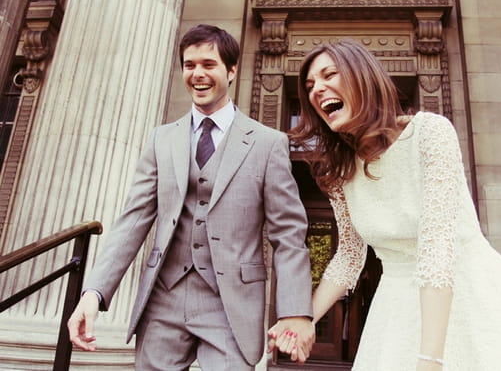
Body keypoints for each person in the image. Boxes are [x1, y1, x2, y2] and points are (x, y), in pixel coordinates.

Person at [276, 38, 501, 370]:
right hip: (396, 306)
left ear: (362, 77)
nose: (317, 90)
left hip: (469, 294)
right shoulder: (340, 173)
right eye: (310, 86)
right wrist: (306, 318)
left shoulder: (430, 133)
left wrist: (430, 359)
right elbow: (349, 257)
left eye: (330, 75)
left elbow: (438, 248)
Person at [67, 24, 315, 370]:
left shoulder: (266, 143)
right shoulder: (161, 139)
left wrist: (295, 312)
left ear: (231, 71)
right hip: (162, 302)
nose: (197, 74)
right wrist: (93, 293)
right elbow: (132, 221)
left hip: (231, 307)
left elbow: (288, 235)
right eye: (189, 64)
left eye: (208, 64)